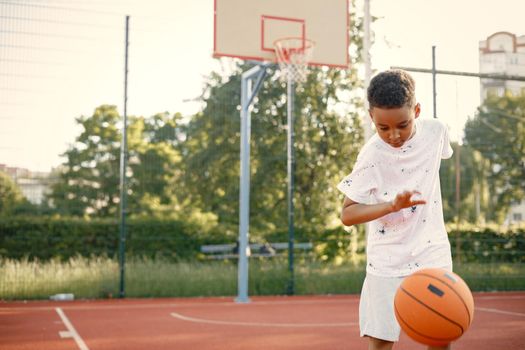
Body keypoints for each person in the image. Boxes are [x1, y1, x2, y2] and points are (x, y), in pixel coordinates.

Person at [337, 69, 453, 350]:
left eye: (402, 124)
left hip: (432, 251)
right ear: (371, 118)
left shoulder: (437, 132)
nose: (393, 135)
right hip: (387, 261)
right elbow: (347, 214)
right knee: (382, 343)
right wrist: (390, 206)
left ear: (417, 110)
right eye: (383, 128)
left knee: (440, 334)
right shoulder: (373, 155)